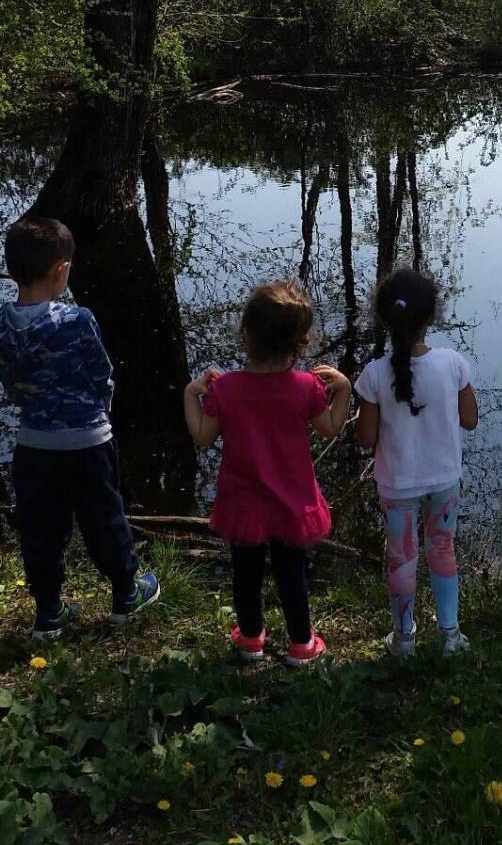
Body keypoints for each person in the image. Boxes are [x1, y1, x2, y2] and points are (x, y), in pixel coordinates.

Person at [0, 214, 159, 640]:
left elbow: (10, 381)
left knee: (41, 530)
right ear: (61, 270)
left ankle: (49, 611)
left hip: (33, 443)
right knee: (104, 518)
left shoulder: (2, 324)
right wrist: (99, 412)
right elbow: (102, 373)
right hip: (88, 441)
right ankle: (126, 592)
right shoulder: (76, 319)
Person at [184, 279, 350, 664]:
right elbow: (329, 428)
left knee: (246, 574)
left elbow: (204, 436)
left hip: (244, 504)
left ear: (247, 334)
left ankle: (251, 640)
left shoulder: (225, 389)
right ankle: (301, 644)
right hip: (292, 502)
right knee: (292, 574)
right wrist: (342, 390)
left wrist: (191, 395)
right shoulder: (307, 387)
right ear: (300, 343)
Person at [354, 267, 478, 658]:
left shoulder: (373, 375)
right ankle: (450, 636)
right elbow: (471, 420)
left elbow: (365, 439)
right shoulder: (453, 364)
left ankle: (403, 639)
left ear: (384, 318)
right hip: (444, 480)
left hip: (397, 485)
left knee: (401, 558)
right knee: (443, 549)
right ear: (431, 316)